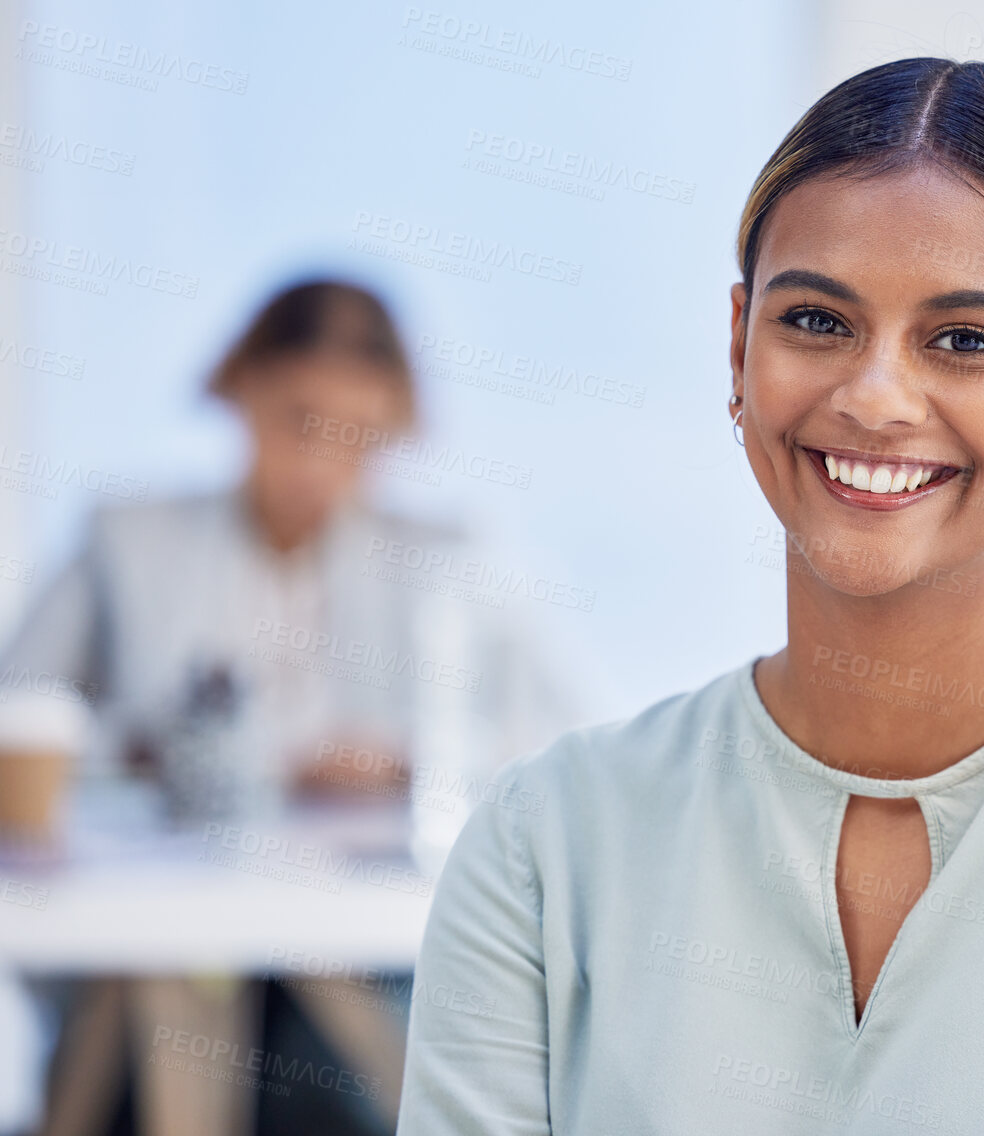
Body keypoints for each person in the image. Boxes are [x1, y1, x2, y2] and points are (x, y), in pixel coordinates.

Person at [398, 57, 984, 1134]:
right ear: (737, 345)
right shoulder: (544, 841)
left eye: (965, 341)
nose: (874, 397)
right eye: (816, 321)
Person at [0, 279, 581, 1136]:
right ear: (242, 392)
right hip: (150, 947)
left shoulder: (447, 561)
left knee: (336, 1069)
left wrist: (407, 766)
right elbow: (26, 719)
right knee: (155, 1037)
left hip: (361, 954)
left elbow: (563, 750)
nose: (322, 462)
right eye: (301, 421)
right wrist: (146, 753)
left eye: (361, 437)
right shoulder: (129, 540)